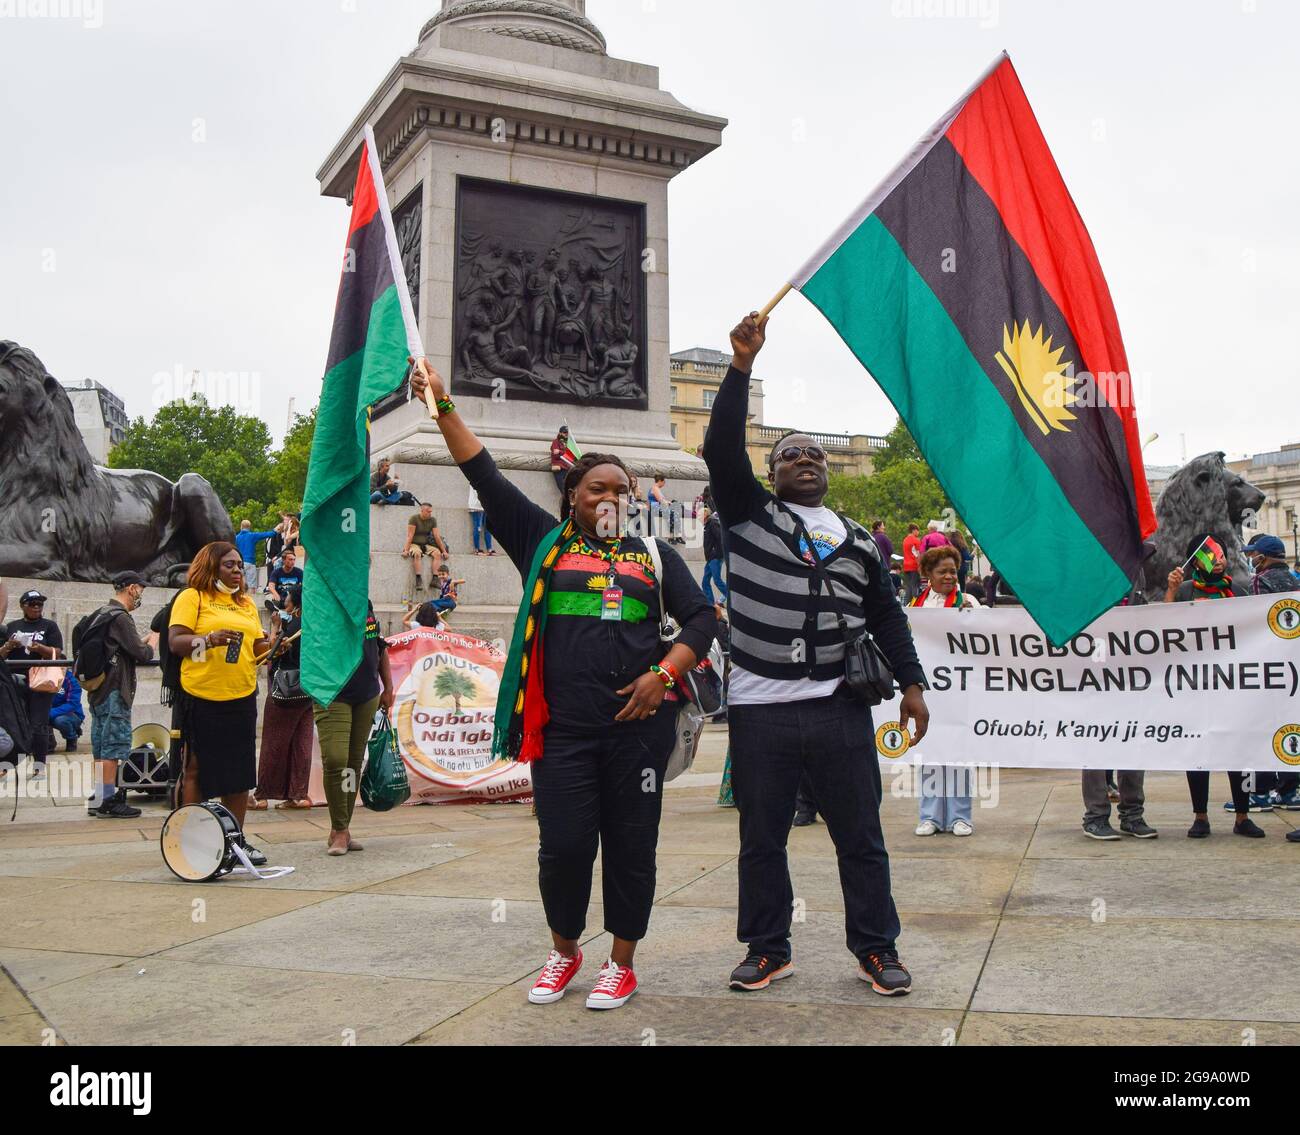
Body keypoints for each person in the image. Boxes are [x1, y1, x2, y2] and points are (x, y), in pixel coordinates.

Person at [410, 357, 714, 1011]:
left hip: (637, 735)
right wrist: (440, 404)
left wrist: (665, 674)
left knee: (633, 847)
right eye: (597, 488)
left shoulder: (652, 556)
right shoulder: (541, 542)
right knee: (566, 847)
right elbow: (481, 471)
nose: (610, 498)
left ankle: (621, 963)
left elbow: (701, 618)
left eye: (620, 491)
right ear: (571, 495)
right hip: (565, 734)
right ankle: (564, 950)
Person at [703, 313, 929, 998]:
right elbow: (719, 450)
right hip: (761, 708)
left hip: (838, 707)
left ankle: (877, 947)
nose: (807, 459)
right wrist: (740, 365)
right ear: (770, 474)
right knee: (761, 838)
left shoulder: (861, 540)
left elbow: (887, 615)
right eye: (791, 454)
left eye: (816, 455)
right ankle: (767, 947)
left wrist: (913, 684)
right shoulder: (746, 517)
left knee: (860, 835)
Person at [168, 543, 269, 854]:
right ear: (211, 566)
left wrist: (275, 645)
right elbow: (176, 643)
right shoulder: (192, 597)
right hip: (201, 697)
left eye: (239, 564)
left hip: (241, 697)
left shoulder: (247, 604)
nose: (238, 570)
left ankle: (234, 843)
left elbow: (258, 649)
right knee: (196, 768)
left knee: (239, 775)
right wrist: (209, 640)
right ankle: (191, 841)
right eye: (229, 565)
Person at [1164, 535, 1263, 839]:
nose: (1219, 560)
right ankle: (1201, 816)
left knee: (1240, 751)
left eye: (1221, 554)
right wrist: (1169, 590)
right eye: (1212, 555)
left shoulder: (1239, 590)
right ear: (1197, 560)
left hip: (1234, 686)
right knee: (1198, 751)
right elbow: (1163, 627)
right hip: (1196, 686)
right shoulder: (1185, 591)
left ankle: (1243, 816)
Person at [908, 545, 980, 837]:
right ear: (928, 574)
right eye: (943, 572)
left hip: (959, 692)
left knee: (959, 753)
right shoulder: (916, 605)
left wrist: (971, 618)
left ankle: (960, 816)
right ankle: (930, 816)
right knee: (930, 752)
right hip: (928, 691)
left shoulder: (969, 601)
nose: (950, 576)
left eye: (953, 570)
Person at [313, 601, 394, 855]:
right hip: (332, 692)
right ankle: (339, 828)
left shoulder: (365, 604)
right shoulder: (323, 601)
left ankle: (342, 828)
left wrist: (388, 687)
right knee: (336, 759)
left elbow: (378, 647)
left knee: (352, 764)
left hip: (366, 694)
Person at [79, 572, 155, 818]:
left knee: (101, 747)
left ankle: (100, 796)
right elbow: (142, 654)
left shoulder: (102, 614)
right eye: (140, 591)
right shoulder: (121, 617)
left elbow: (124, 647)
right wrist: (153, 641)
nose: (139, 596)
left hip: (98, 690)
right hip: (115, 689)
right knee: (113, 747)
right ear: (132, 588)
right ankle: (108, 802)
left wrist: (140, 644)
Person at [252, 588, 313, 811]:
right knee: (301, 743)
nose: (284, 600)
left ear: (295, 603)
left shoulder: (294, 625)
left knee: (273, 742)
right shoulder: (313, 623)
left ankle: (261, 795)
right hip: (307, 689)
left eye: (287, 597)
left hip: (285, 689)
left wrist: (276, 627)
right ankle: (298, 795)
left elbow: (272, 654)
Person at [4, 590, 64, 782]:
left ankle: (39, 767)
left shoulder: (49, 626)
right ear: (23, 606)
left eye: (39, 604)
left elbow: (57, 652)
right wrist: (9, 646)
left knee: (39, 724)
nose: (36, 607)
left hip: (40, 681)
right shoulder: (12, 626)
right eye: (32, 603)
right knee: (12, 724)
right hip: (15, 680)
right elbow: (1, 654)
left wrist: (38, 648)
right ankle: (4, 767)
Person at [403, 503, 448, 592]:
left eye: (431, 511)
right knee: (417, 554)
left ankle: (435, 579)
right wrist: (406, 550)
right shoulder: (414, 518)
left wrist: (444, 551)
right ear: (422, 511)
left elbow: (437, 536)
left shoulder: (432, 520)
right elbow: (410, 536)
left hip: (426, 544)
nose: (430, 513)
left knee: (437, 553)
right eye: (428, 511)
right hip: (414, 543)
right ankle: (418, 579)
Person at [49, 668, 84, 752]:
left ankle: (72, 737)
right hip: (50, 712)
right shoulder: (47, 678)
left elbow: (72, 704)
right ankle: (49, 742)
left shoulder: (71, 680)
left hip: (71, 714)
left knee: (60, 721)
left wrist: (50, 713)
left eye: (61, 667)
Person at [234, 520, 276, 590]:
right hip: (250, 562)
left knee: (238, 584)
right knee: (251, 585)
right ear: (249, 527)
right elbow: (266, 534)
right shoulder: (252, 535)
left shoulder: (236, 538)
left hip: (240, 563)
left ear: (241, 527)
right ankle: (251, 599)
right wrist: (274, 531)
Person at [700, 506, 728, 605]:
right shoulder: (707, 525)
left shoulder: (712, 523)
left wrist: (716, 553)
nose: (698, 517)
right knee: (705, 582)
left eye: (700, 515)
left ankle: (731, 597)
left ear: (705, 514)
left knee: (717, 580)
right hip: (710, 558)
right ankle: (710, 604)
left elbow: (720, 538)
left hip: (715, 557)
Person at [550, 425, 576, 512]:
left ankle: (570, 506)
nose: (566, 435)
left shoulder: (568, 444)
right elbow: (555, 453)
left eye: (567, 433)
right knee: (563, 489)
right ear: (560, 433)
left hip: (567, 468)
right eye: (564, 433)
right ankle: (566, 507)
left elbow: (571, 455)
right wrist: (563, 452)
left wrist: (561, 452)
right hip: (559, 469)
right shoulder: (556, 442)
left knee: (570, 488)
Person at [468, 484, 495, 555]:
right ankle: (477, 549)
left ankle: (489, 549)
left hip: (486, 506)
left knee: (488, 528)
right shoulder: (476, 478)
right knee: (478, 527)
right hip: (477, 506)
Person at [901, 524, 922, 603]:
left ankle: (907, 604)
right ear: (914, 530)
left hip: (906, 565)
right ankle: (915, 603)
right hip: (914, 565)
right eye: (917, 530)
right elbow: (918, 554)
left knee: (908, 586)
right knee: (915, 586)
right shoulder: (916, 540)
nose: (918, 532)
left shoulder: (905, 540)